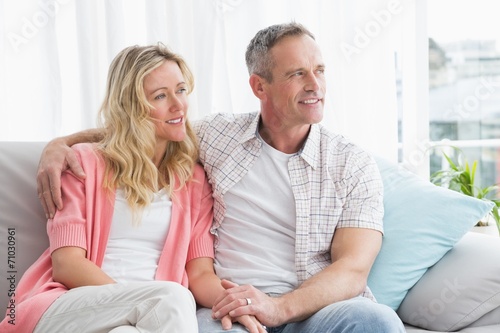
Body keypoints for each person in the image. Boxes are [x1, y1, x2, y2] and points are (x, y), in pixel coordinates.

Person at [35, 23, 405, 332]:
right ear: (259, 86)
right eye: (297, 74)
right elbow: (141, 132)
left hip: (316, 311)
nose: (315, 85)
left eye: (319, 70)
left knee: (376, 322)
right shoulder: (217, 139)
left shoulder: (352, 164)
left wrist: (280, 308)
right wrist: (60, 144)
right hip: (228, 309)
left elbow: (353, 270)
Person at [1, 44, 266, 333]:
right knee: (174, 296)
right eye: (160, 96)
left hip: (147, 320)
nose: (178, 106)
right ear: (132, 106)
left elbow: (200, 273)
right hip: (67, 307)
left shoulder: (193, 180)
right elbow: (67, 264)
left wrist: (235, 304)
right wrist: (135, 304)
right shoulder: (82, 164)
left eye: (181, 90)